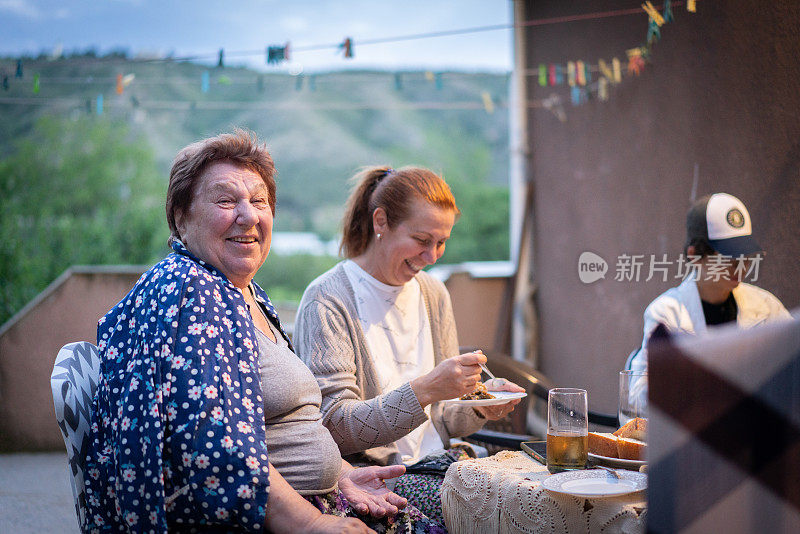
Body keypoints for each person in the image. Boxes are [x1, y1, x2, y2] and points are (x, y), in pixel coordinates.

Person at [83, 132, 442, 533]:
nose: (249, 216)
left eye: (259, 201)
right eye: (225, 200)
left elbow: (285, 424)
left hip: (322, 497)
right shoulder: (190, 291)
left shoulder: (240, 291)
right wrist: (309, 524)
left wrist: (341, 474)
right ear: (181, 218)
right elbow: (218, 447)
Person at [293, 166, 524, 525]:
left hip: (442, 463)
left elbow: (444, 418)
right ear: (380, 221)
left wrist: (482, 403)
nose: (432, 256)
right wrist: (426, 389)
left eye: (441, 242)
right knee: (507, 508)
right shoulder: (327, 299)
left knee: (542, 492)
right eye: (421, 239)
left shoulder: (433, 293)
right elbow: (334, 426)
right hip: (377, 477)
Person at [628, 193, 791, 402]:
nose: (740, 266)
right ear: (695, 255)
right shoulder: (666, 314)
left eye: (746, 256)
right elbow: (638, 395)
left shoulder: (767, 307)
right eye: (729, 256)